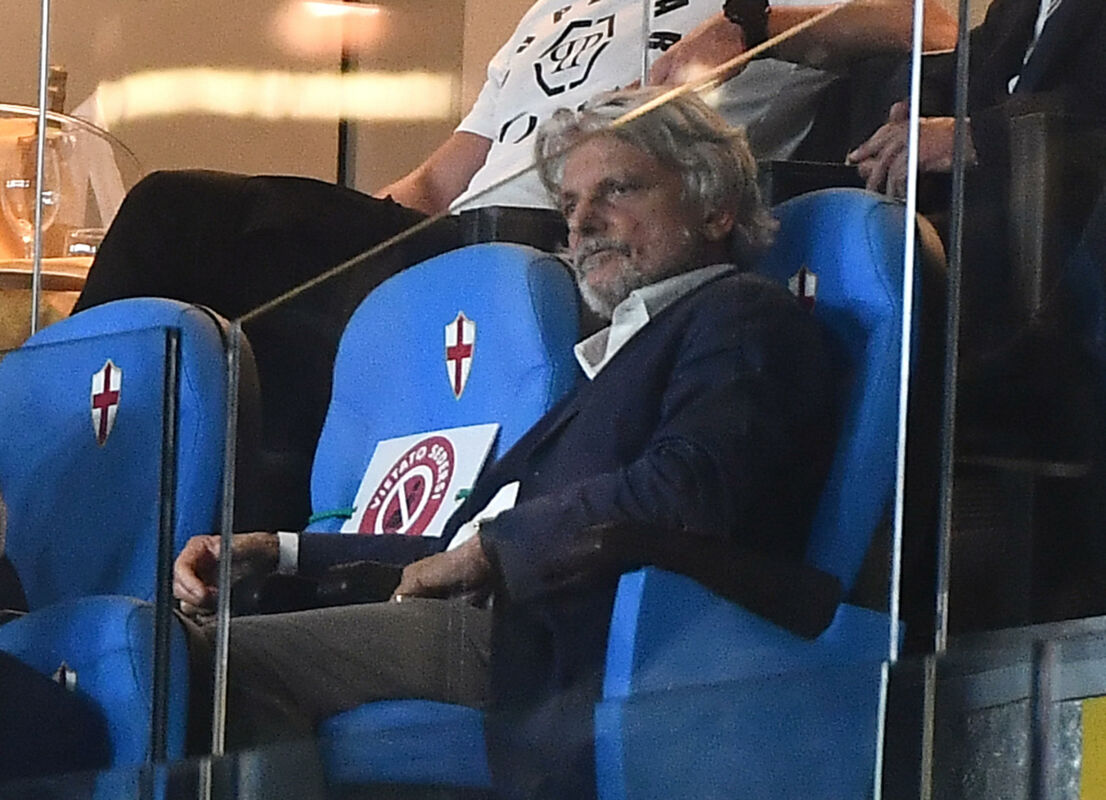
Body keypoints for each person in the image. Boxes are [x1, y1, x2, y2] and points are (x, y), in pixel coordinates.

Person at [174, 87, 839, 798]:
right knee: (166, 651)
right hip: (510, 618)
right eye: (572, 206)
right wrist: (278, 549)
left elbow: (686, 490)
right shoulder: (614, 358)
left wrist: (494, 550)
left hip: (573, 643)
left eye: (617, 188)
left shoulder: (739, 315)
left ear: (715, 206)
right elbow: (459, 543)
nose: (585, 223)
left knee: (209, 666)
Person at [76, 0, 951, 529]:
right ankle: (74, 473)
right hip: (452, 235)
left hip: (563, 235)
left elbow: (938, 24)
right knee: (184, 220)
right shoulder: (551, 13)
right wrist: (340, 229)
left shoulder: (760, 4)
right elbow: (436, 180)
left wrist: (754, 27)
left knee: (184, 212)